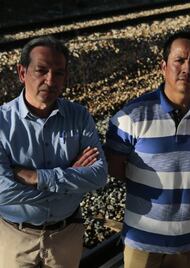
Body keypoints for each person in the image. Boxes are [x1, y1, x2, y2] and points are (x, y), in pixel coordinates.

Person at [105, 31, 190, 268]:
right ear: (163, 66)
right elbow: (115, 165)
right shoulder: (132, 116)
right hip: (142, 239)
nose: (187, 68)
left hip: (189, 240)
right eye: (179, 60)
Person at [0, 36, 107, 268]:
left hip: (66, 236)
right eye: (41, 70)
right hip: (14, 237)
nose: (50, 79)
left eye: (59, 73)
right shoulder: (2, 122)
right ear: (22, 72)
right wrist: (70, 179)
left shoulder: (79, 116)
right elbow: (3, 193)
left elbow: (99, 176)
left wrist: (35, 177)